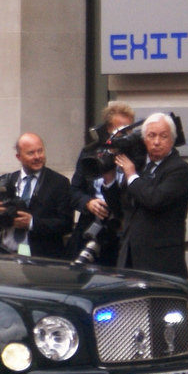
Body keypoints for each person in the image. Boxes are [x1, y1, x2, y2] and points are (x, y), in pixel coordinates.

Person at [115, 112, 188, 277]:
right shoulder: (140, 165)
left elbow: (154, 199)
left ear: (172, 140)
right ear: (144, 140)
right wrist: (109, 180)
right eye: (151, 136)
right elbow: (120, 205)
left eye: (163, 136)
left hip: (161, 262)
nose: (157, 142)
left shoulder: (179, 169)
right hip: (131, 256)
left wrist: (131, 176)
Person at [66, 101, 134, 265]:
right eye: (121, 130)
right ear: (108, 129)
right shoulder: (90, 152)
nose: (126, 135)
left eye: (129, 129)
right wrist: (88, 203)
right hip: (91, 227)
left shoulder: (134, 156)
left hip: (119, 229)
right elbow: (74, 191)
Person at [0, 132, 73, 259]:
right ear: (19, 156)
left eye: (40, 151)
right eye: (31, 153)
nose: (37, 157)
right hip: (8, 254)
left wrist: (32, 223)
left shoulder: (59, 183)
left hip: (43, 257)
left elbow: (66, 224)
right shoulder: (5, 181)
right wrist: (2, 215)